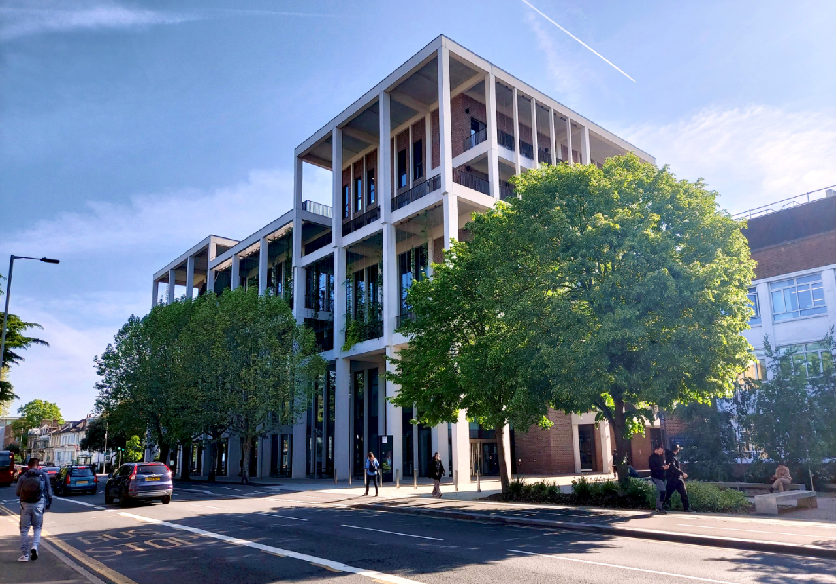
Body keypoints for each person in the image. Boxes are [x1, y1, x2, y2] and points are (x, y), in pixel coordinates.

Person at [15, 457, 53, 562]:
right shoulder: (43, 475)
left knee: (24, 529)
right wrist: (48, 503)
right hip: (39, 504)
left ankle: (25, 555)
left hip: (25, 505)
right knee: (37, 527)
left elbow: (17, 492)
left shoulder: (23, 477)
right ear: (38, 465)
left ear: (28, 466)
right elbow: (49, 492)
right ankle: (35, 547)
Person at [662, 444, 691, 513]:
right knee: (669, 494)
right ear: (676, 450)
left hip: (675, 478)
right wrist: (682, 473)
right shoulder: (671, 457)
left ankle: (686, 508)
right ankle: (661, 506)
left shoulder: (672, 456)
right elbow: (673, 467)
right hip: (673, 479)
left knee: (682, 493)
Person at [648, 445, 669, 514]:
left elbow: (661, 466)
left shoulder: (661, 457)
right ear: (656, 450)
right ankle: (659, 507)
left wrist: (665, 467)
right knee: (662, 491)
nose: (661, 452)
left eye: (662, 451)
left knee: (661, 492)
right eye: (660, 451)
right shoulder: (652, 458)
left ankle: (659, 507)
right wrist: (662, 468)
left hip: (662, 477)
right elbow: (652, 468)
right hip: (656, 477)